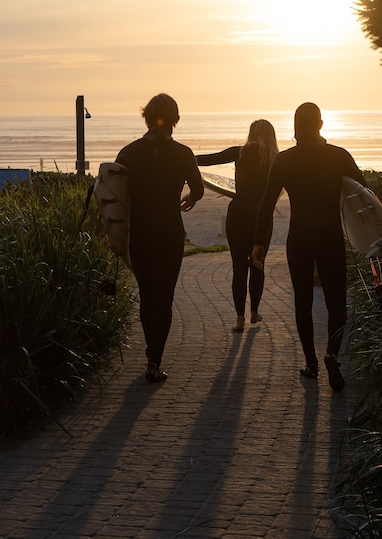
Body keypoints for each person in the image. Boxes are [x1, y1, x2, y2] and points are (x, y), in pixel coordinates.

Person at [251, 103, 367, 391]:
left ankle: (311, 364)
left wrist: (258, 243)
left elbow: (265, 206)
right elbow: (364, 194)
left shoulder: (284, 160)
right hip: (330, 236)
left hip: (299, 237)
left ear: (295, 126)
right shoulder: (339, 156)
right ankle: (332, 354)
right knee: (336, 302)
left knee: (302, 301)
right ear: (321, 124)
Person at [116, 93, 204, 383]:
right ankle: (154, 361)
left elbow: (114, 198)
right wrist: (189, 197)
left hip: (140, 232)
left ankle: (150, 352)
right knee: (163, 297)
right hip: (169, 232)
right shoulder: (182, 153)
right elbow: (199, 189)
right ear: (175, 119)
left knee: (147, 296)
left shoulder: (128, 153)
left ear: (147, 116)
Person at [195, 120, 279, 333]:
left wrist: (182, 158)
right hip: (262, 219)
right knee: (258, 264)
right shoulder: (276, 160)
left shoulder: (239, 153)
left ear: (251, 134)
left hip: (238, 215)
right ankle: (254, 313)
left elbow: (207, 160)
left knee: (239, 268)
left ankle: (240, 318)